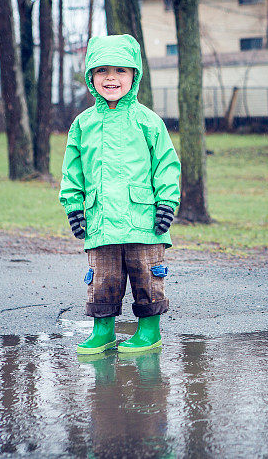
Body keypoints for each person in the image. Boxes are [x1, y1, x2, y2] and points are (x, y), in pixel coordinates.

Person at [59, 34, 180, 355]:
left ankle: (149, 331)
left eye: (120, 71)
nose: (111, 78)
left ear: (135, 75)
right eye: (102, 71)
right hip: (100, 220)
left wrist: (167, 202)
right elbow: (72, 170)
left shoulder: (148, 121)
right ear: (90, 77)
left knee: (146, 276)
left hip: (144, 217)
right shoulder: (83, 124)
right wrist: (74, 206)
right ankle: (103, 331)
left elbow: (166, 164)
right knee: (103, 278)